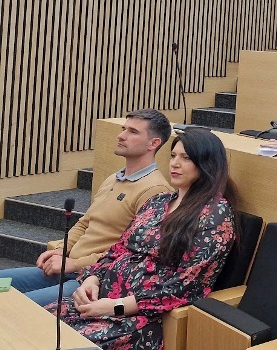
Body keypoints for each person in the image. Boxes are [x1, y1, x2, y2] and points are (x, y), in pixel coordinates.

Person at [51, 128, 237, 349]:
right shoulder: (158, 201)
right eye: (173, 156)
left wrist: (115, 306)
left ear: (206, 164)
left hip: (137, 319)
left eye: (186, 158)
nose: (175, 163)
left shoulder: (216, 214)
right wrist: (92, 279)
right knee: (37, 326)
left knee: (60, 344)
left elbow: (185, 286)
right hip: (100, 300)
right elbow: (119, 249)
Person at [0, 109, 171, 306]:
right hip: (68, 268)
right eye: (124, 129)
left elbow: (132, 253)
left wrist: (74, 263)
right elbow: (85, 222)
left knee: (16, 308)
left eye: (132, 132)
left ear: (153, 143)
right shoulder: (115, 178)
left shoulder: (155, 190)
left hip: (95, 279)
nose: (121, 135)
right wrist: (61, 250)